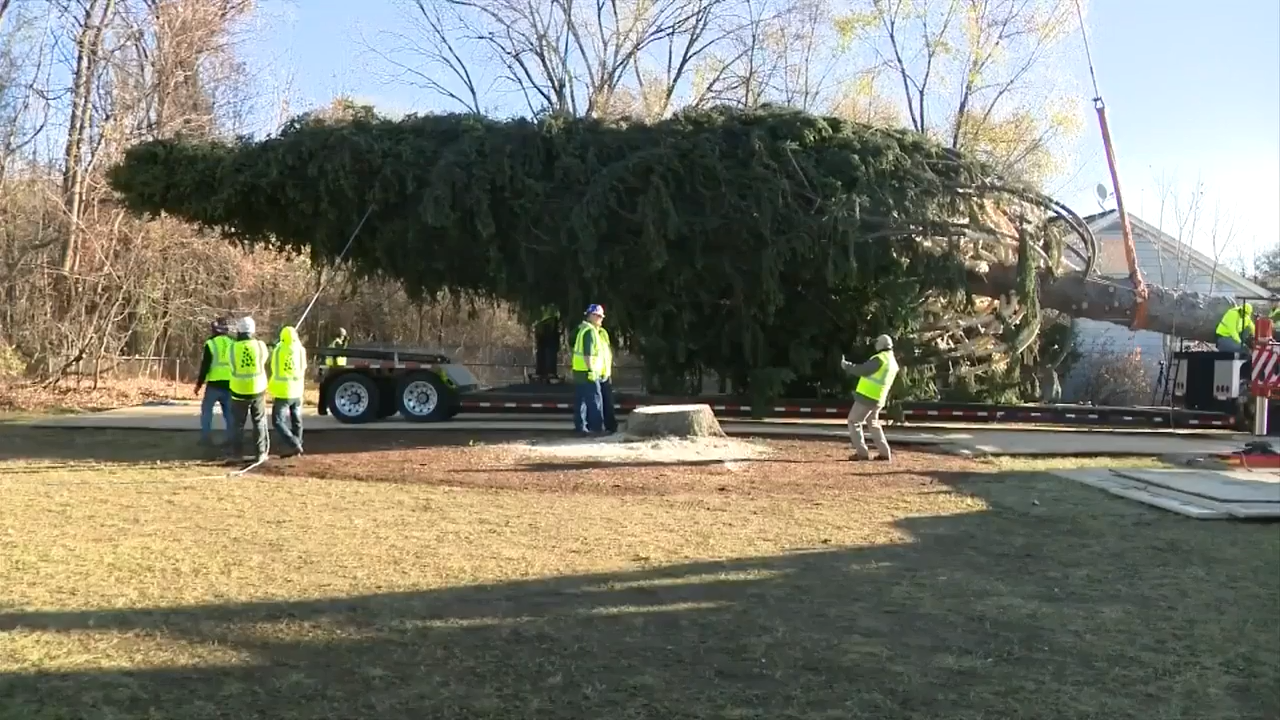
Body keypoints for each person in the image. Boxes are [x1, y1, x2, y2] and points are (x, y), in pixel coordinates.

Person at [840, 334, 900, 462]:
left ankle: (862, 453)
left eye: (876, 342)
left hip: (867, 396)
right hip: (879, 398)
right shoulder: (892, 361)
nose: (875, 345)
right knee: (873, 424)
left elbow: (863, 370)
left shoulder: (880, 358)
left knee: (853, 421)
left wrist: (847, 366)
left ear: (881, 345)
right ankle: (885, 453)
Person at [228, 316, 270, 463]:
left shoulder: (232, 348)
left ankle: (236, 454)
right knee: (258, 422)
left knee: (237, 424)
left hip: (238, 390)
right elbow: (264, 360)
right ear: (253, 330)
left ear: (239, 330)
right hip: (257, 389)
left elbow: (232, 366)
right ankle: (260, 453)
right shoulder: (260, 346)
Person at [268, 325, 307, 457]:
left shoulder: (279, 350)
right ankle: (298, 445)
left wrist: (278, 346)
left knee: (278, 421)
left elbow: (273, 365)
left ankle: (294, 443)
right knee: (296, 419)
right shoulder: (301, 350)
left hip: (283, 391)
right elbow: (304, 366)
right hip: (297, 390)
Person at [194, 317, 233, 447]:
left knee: (206, 411)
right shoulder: (233, 343)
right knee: (229, 413)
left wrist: (199, 384)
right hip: (230, 383)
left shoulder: (210, 343)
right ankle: (231, 438)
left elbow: (205, 366)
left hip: (214, 384)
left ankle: (206, 438)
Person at [571, 304, 606, 435]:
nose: (601, 319)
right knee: (595, 400)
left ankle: (580, 428)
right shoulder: (590, 331)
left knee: (581, 401)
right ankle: (597, 429)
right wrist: (591, 370)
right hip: (588, 372)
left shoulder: (583, 329)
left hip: (579, 371)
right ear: (592, 316)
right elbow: (588, 354)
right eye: (598, 316)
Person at [598, 322, 618, 434]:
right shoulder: (590, 332)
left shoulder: (603, 333)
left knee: (608, 402)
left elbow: (606, 353)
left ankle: (611, 426)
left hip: (605, 373)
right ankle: (600, 427)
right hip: (597, 373)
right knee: (598, 402)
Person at [534, 305, 561, 381]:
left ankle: (543, 372)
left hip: (545, 342)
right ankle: (548, 372)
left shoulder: (542, 322)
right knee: (549, 354)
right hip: (549, 342)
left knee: (544, 353)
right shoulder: (552, 321)